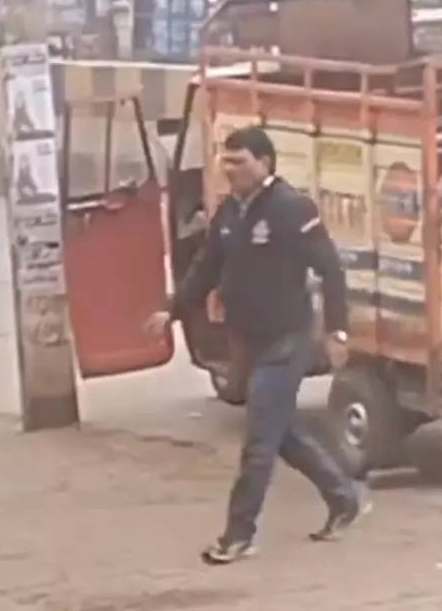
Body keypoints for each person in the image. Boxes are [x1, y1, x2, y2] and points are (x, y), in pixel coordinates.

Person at [144, 126, 364, 565]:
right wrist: (171, 310)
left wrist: (337, 330)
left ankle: (237, 535)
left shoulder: (291, 208)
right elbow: (206, 269)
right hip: (249, 340)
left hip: (288, 337)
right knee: (281, 433)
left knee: (259, 442)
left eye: (239, 161)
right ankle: (344, 498)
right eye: (226, 161)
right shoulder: (229, 213)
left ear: (264, 162)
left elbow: (330, 270)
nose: (230, 169)